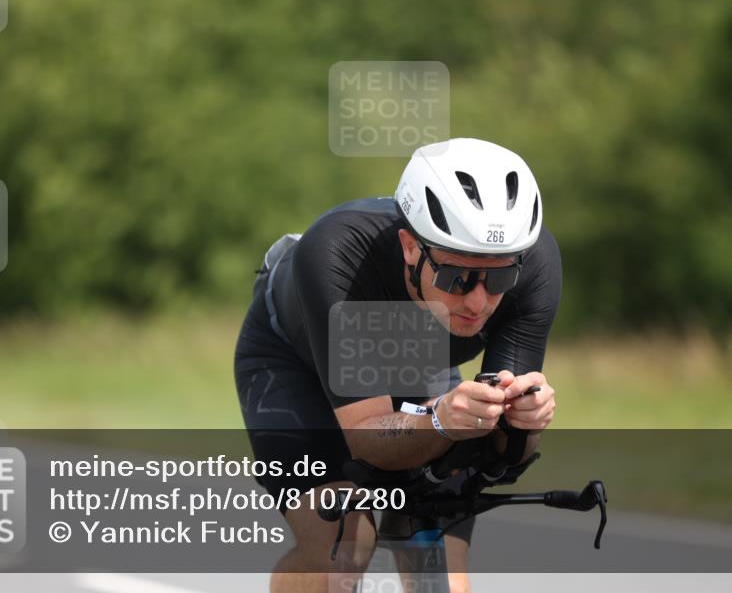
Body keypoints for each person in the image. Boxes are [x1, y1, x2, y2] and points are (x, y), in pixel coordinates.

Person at [234, 138, 562, 593]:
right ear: (411, 247)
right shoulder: (337, 252)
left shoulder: (536, 263)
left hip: (418, 364)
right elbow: (368, 440)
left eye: (500, 277)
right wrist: (440, 420)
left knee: (445, 575)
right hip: (296, 364)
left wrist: (526, 421)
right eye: (457, 277)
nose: (478, 301)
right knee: (342, 552)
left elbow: (503, 455)